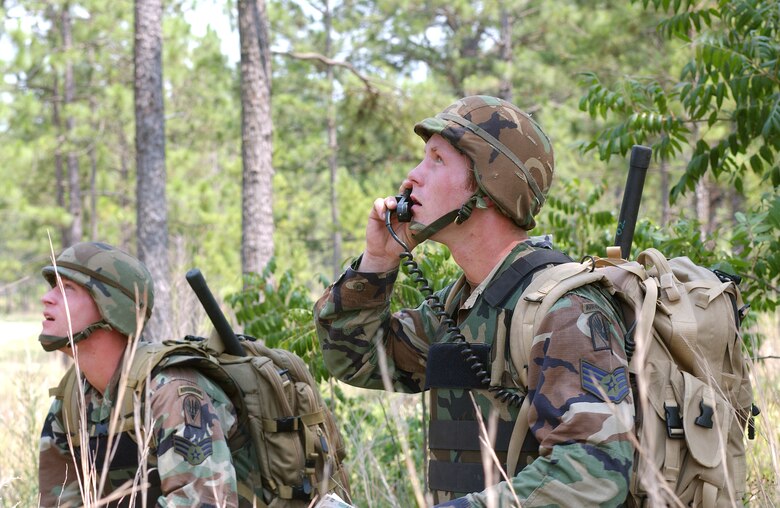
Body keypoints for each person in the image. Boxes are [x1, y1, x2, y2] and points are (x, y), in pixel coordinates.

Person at [314, 96, 635, 506]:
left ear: (489, 185)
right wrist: (378, 260)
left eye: (437, 160)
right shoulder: (460, 304)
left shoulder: (566, 311)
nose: (412, 177)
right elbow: (355, 359)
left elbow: (592, 474)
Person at [37, 241, 252, 507]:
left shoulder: (170, 391)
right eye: (53, 287)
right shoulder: (72, 398)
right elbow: (58, 501)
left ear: (111, 308)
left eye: (67, 288)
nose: (47, 298)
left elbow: (205, 503)